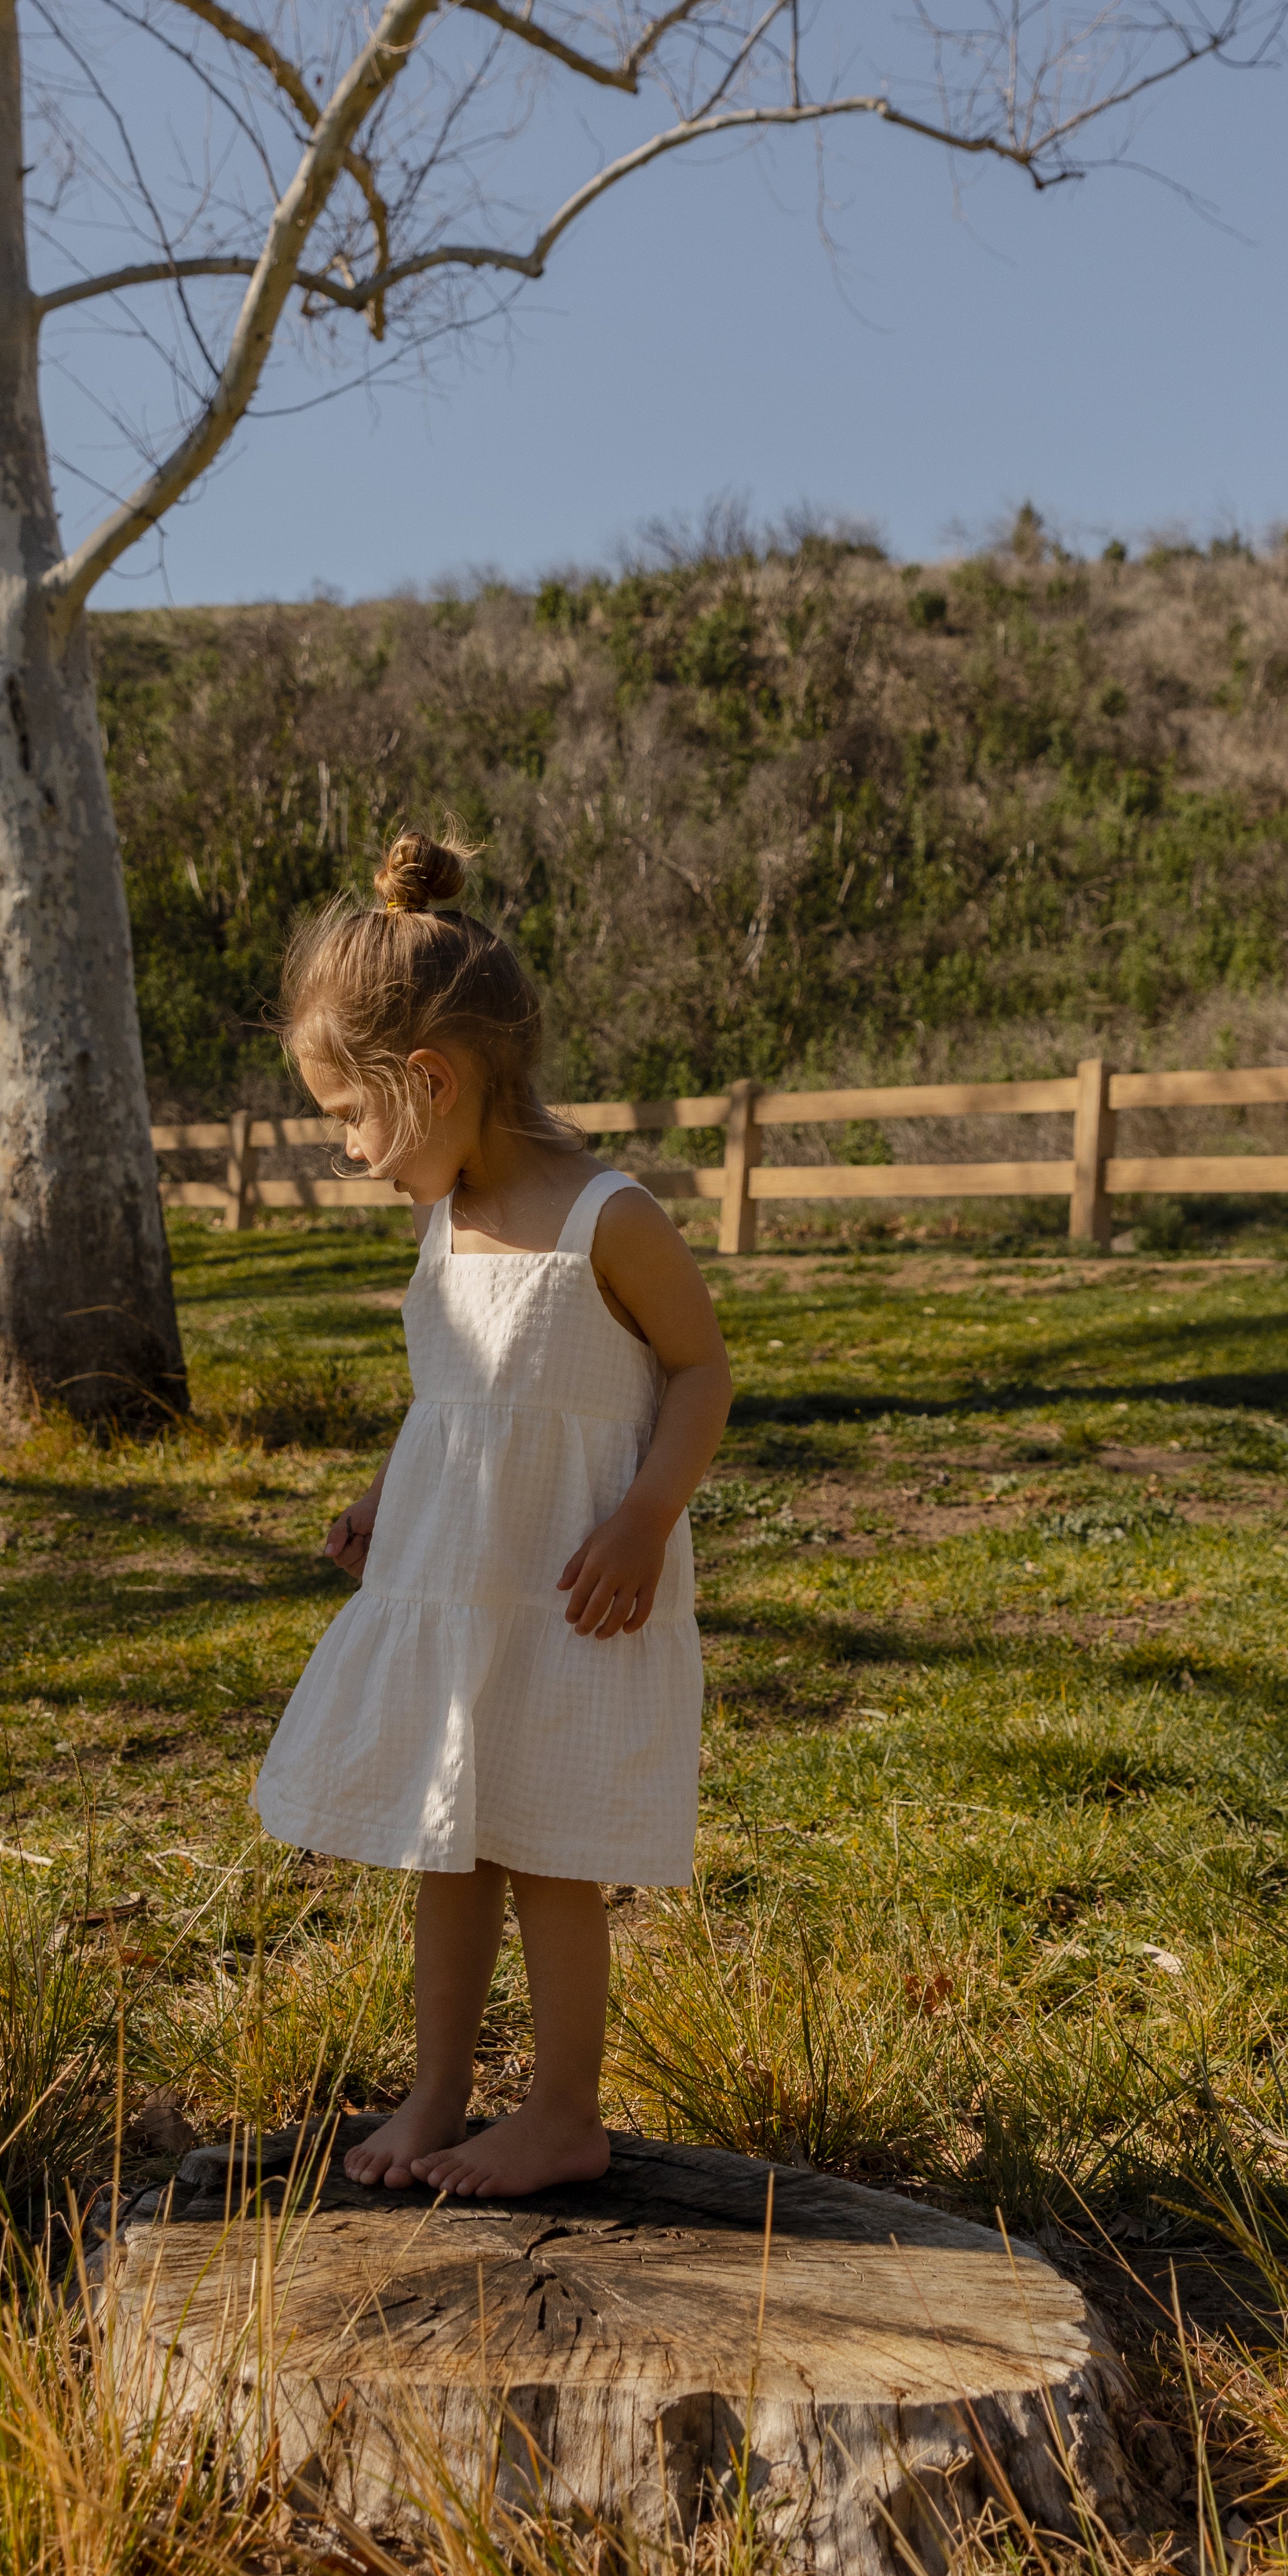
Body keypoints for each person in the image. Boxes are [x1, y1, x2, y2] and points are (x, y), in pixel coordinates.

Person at [251, 831, 733, 2199]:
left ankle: (563, 2113)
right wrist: (378, 1499)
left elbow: (702, 1371)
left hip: (574, 1596)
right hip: (456, 1587)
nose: (347, 1151)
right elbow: (452, 1403)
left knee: (548, 1858)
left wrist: (645, 1521)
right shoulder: (445, 1226)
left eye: (350, 1116)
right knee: (443, 1841)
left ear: (434, 1080)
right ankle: (439, 2094)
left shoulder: (605, 1219)